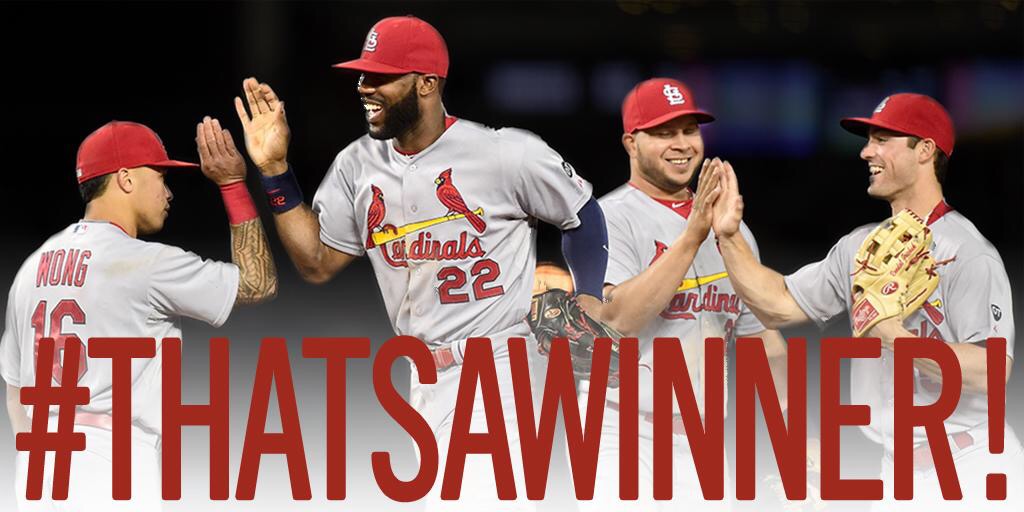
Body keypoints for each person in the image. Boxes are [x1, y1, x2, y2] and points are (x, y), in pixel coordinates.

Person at [232, 15, 609, 511]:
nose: (365, 87)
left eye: (381, 76)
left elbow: (582, 212)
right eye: (364, 76)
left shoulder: (503, 152)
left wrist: (590, 297)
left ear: (427, 84)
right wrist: (275, 171)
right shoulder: (356, 164)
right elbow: (317, 262)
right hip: (422, 377)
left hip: (499, 365)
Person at [710, 92, 1023, 510]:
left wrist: (890, 332)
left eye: (882, 139)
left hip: (970, 469)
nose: (865, 151)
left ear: (925, 150)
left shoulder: (968, 253)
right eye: (868, 139)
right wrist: (728, 238)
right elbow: (778, 304)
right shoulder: (863, 247)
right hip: (897, 473)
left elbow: (990, 373)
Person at [0, 118, 277, 511]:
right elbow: (258, 283)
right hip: (111, 467)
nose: (168, 192)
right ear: (126, 179)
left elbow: (14, 393)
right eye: (160, 176)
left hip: (37, 472)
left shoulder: (32, 266)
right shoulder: (143, 263)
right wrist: (232, 185)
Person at [581, 77, 789, 511]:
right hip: (621, 435)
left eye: (689, 130)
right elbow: (614, 320)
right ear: (631, 142)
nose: (681, 144)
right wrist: (694, 234)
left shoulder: (734, 231)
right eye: (663, 132)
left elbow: (764, 344)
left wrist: (796, 438)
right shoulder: (607, 218)